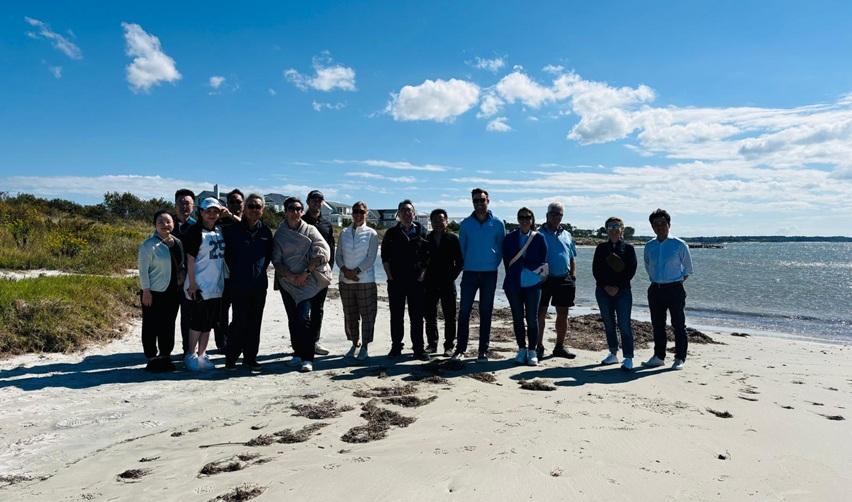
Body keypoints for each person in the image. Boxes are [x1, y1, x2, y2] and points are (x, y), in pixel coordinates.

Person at [272, 197, 332, 373]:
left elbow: (324, 251)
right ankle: (297, 353)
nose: (295, 212)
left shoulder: (310, 230)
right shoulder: (280, 234)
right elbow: (276, 260)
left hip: (307, 280)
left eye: (298, 209)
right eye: (291, 208)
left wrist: (306, 272)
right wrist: (291, 277)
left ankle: (307, 358)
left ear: (302, 211)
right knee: (293, 319)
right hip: (287, 282)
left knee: (303, 318)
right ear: (285, 211)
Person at [454, 188, 506, 362]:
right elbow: (462, 248)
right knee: (464, 311)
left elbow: (501, 248)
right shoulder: (466, 224)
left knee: (486, 311)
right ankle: (460, 349)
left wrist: (492, 263)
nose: (479, 203)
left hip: (489, 273)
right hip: (469, 273)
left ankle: (483, 350)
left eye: (482, 200)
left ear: (488, 201)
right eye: (475, 200)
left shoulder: (498, 223)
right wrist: (470, 264)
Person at [223, 193, 273, 371]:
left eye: (258, 207)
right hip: (238, 284)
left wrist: (257, 272)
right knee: (239, 321)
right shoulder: (233, 230)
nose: (254, 210)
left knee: (255, 322)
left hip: (259, 285)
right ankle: (231, 358)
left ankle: (250, 358)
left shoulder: (266, 231)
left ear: (262, 210)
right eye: (250, 206)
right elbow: (228, 257)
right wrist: (239, 272)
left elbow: (268, 257)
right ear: (244, 208)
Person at [642, 209, 694, 370]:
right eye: (656, 224)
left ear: (669, 224)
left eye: (663, 223)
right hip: (655, 289)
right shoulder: (649, 246)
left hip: (674, 289)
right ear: (652, 227)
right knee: (657, 325)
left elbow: (688, 269)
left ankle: (679, 358)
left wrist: (673, 282)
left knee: (678, 324)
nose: (660, 227)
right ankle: (659, 356)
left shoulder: (679, 244)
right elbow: (648, 266)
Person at [381, 199, 431, 360]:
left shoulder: (422, 231)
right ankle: (396, 346)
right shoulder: (391, 233)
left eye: (409, 210)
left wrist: (422, 275)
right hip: (396, 281)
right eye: (403, 210)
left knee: (417, 317)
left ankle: (418, 349)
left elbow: (428, 257)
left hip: (417, 282)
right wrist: (389, 276)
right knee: (396, 316)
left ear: (414, 213)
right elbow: (385, 257)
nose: (406, 213)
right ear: (398, 214)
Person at [182, 197, 228, 371]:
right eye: (208, 211)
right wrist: (192, 283)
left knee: (209, 323)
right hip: (199, 284)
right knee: (197, 322)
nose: (212, 214)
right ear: (201, 212)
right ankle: (190, 354)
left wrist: (228, 214)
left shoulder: (219, 230)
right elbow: (190, 259)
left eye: (215, 211)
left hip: (215, 285)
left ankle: (202, 354)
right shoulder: (195, 231)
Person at [138, 210, 184, 372]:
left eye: (168, 221)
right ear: (155, 225)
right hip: (153, 291)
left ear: (173, 224)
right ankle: (151, 357)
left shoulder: (177, 242)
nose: (165, 225)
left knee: (168, 324)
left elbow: (181, 265)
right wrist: (146, 291)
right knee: (151, 325)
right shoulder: (148, 245)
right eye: (160, 222)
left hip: (173, 291)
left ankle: (165, 355)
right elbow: (143, 271)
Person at [502, 208, 548, 366]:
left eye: (528, 217)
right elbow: (506, 260)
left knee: (532, 319)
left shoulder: (539, 237)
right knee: (517, 318)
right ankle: (521, 349)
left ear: (532, 219)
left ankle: (532, 350)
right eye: (521, 217)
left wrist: (526, 263)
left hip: (533, 283)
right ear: (518, 219)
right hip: (513, 283)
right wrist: (516, 270)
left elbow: (542, 259)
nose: (524, 220)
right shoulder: (509, 238)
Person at [335, 201, 379, 361]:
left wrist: (356, 272)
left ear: (366, 214)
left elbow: (371, 258)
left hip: (365, 281)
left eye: (361, 212)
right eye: (355, 211)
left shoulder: (372, 233)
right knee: (350, 315)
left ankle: (365, 346)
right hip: (345, 281)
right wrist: (345, 271)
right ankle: (355, 343)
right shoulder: (344, 232)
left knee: (367, 316)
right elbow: (338, 256)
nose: (358, 214)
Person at [592, 217, 638, 370]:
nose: (613, 229)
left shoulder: (628, 248)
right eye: (610, 226)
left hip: (623, 291)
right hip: (603, 291)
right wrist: (606, 286)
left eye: (616, 226)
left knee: (624, 324)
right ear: (606, 230)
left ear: (622, 229)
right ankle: (613, 353)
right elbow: (596, 270)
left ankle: (628, 357)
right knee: (609, 323)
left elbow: (631, 270)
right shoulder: (601, 248)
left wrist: (617, 286)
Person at [536, 202, 578, 360]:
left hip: (564, 279)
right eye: (552, 213)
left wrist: (572, 276)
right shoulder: (537, 233)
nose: (555, 216)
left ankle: (559, 347)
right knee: (540, 313)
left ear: (562, 216)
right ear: (547, 215)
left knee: (563, 314)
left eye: (559, 214)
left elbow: (571, 257)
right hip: (543, 280)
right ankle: (538, 346)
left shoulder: (567, 235)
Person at [423, 208, 463, 357]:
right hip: (430, 283)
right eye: (435, 221)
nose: (438, 223)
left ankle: (449, 346)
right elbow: (422, 260)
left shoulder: (453, 239)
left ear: (446, 221)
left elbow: (460, 262)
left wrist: (451, 277)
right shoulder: (426, 238)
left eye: (441, 220)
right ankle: (432, 344)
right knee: (430, 316)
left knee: (450, 317)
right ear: (431, 222)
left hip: (448, 283)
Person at [302, 190, 335, 356]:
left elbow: (331, 249)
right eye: (314, 199)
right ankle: (301, 343)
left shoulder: (326, 224)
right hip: (303, 273)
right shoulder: (300, 221)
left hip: (321, 274)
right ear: (308, 201)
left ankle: (314, 342)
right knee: (302, 309)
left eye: (319, 199)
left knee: (318, 309)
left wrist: (329, 271)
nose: (317, 202)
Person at [215, 188, 244, 352]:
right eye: (231, 202)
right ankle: (222, 342)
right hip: (223, 274)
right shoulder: (221, 222)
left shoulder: (247, 220)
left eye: (238, 202)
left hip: (241, 275)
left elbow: (246, 228)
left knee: (240, 311)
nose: (235, 204)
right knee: (221, 312)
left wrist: (232, 216)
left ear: (243, 204)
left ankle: (235, 339)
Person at [172, 188, 196, 356]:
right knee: (167, 317)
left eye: (187, 203)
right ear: (175, 205)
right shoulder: (167, 224)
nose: (184, 206)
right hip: (169, 280)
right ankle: (164, 352)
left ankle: (188, 349)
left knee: (189, 317)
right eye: (180, 203)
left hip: (190, 280)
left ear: (193, 206)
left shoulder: (197, 227)